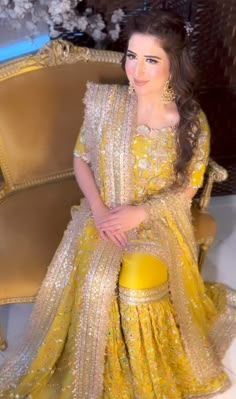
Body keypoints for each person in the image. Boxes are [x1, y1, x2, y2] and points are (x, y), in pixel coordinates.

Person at [0, 8, 235, 399]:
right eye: (131, 56)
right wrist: (100, 211)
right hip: (102, 211)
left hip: (159, 219)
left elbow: (186, 190)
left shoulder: (190, 121)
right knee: (94, 280)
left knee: (133, 283)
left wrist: (138, 213)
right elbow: (81, 160)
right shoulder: (106, 105)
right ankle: (99, 361)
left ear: (173, 65)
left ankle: (145, 365)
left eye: (151, 60)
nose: (136, 70)